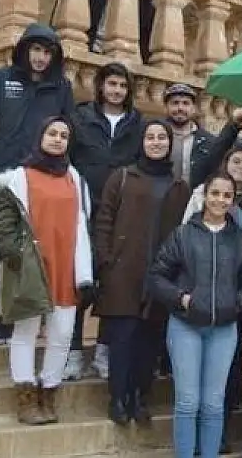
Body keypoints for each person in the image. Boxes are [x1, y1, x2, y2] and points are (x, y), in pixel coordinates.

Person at [0, 23, 75, 345]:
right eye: (35, 50)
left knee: (38, 251)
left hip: (42, 180)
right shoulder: (3, 80)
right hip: (2, 179)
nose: (41, 57)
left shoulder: (61, 88)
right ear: (25, 50)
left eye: (47, 52)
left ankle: (32, 319)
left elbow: (69, 128)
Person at [0, 117, 93, 426]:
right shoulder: (19, 177)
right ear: (40, 137)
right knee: (25, 334)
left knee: (61, 335)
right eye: (52, 133)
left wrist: (85, 271)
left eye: (63, 135)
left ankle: (49, 393)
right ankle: (26, 397)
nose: (58, 139)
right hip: (32, 269)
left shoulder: (75, 178)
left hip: (66, 268)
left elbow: (82, 226)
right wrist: (18, 257)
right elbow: (2, 227)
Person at [149, 173, 242, 458]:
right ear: (205, 196)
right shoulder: (184, 234)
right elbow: (158, 275)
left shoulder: (240, 238)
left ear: (233, 200)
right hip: (186, 325)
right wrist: (181, 298)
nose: (220, 200)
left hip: (223, 328)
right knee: (187, 401)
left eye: (226, 195)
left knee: (213, 403)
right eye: (215, 193)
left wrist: (237, 302)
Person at [93, 120, 191, 426]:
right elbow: (104, 219)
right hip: (123, 271)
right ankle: (118, 397)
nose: (157, 142)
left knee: (149, 343)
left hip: (161, 276)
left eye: (162, 137)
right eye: (151, 137)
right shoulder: (122, 176)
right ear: (142, 141)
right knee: (122, 339)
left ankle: (139, 397)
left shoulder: (179, 186)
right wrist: (106, 260)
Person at [65, 62, 142, 381]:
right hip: (83, 210)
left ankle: (103, 350)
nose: (116, 91)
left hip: (119, 215)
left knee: (113, 284)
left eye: (122, 86)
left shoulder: (137, 124)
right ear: (101, 86)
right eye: (112, 84)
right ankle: (72, 352)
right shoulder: (82, 117)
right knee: (80, 283)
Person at [162, 83, 242, 188]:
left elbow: (219, 152)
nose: (180, 108)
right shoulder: (155, 137)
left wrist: (234, 124)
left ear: (193, 108)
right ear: (166, 107)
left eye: (185, 103)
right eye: (175, 103)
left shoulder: (207, 141)